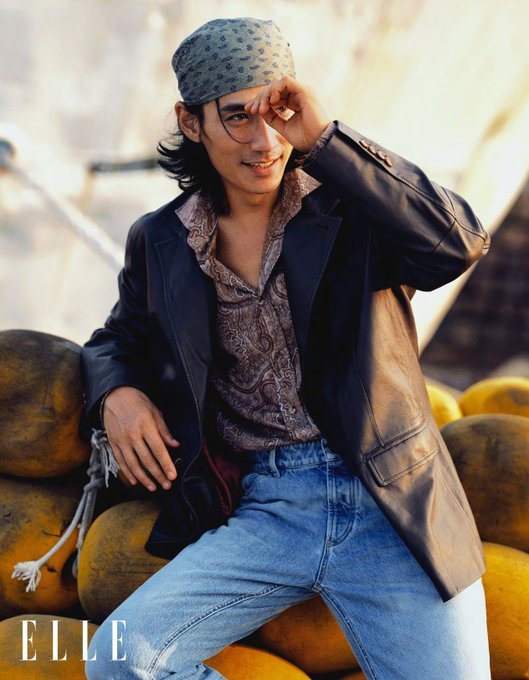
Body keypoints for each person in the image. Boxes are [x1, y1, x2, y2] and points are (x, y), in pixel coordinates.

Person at [82, 16, 492, 680]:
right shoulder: (161, 239)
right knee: (121, 658)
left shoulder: (351, 207)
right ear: (191, 122)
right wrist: (117, 393)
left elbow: (458, 243)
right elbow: (117, 338)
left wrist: (329, 139)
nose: (263, 140)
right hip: (267, 511)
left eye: (276, 111)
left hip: (392, 503)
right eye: (236, 116)